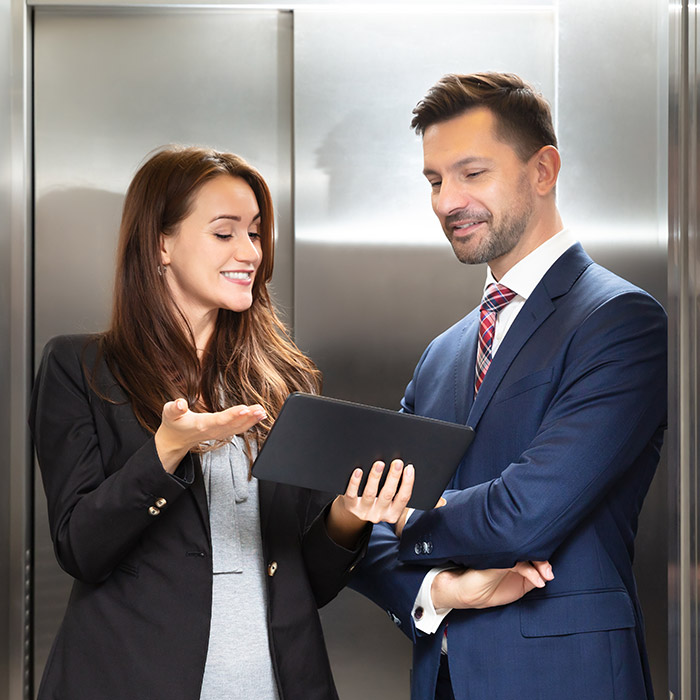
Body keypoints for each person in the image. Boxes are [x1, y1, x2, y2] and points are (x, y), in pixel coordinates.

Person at [29, 145, 422, 700]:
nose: (249, 252)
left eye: (256, 233)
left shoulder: (285, 381)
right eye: (225, 232)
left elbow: (310, 583)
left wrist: (348, 516)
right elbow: (80, 549)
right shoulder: (81, 370)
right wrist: (165, 451)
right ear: (161, 243)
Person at [350, 72, 667, 700]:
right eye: (435, 181)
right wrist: (438, 591)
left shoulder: (620, 321)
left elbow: (526, 513)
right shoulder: (442, 354)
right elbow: (367, 531)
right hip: (441, 679)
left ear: (544, 170)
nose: (446, 202)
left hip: (565, 680)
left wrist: (418, 511)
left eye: (472, 174)